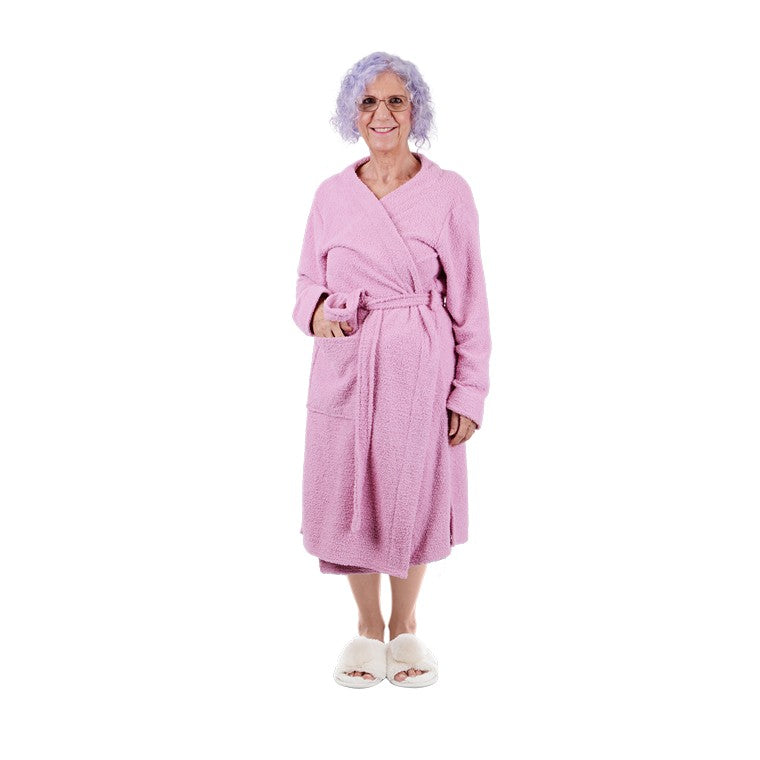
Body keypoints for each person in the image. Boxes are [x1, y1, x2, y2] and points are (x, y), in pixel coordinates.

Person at [292, 52, 491, 688]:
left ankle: (404, 627)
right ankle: (366, 626)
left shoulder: (449, 192)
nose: (382, 114)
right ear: (352, 114)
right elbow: (306, 283)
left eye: (395, 101)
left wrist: (469, 390)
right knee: (347, 487)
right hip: (346, 363)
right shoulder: (330, 195)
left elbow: (470, 299)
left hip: (418, 365)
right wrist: (318, 311)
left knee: (412, 488)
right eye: (368, 102)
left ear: (415, 111)